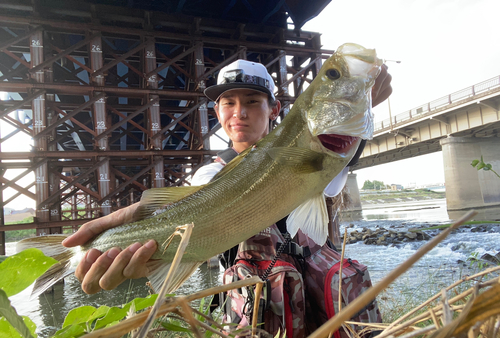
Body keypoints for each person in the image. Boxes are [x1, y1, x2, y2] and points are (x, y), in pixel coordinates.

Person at [63, 58, 392, 295]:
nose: (240, 112)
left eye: (252, 101)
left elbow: (338, 151)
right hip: (255, 315)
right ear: (217, 112)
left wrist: (361, 99)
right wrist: (137, 225)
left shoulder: (318, 151)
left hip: (327, 303)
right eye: (228, 103)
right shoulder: (210, 173)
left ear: (274, 109)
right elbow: (188, 208)